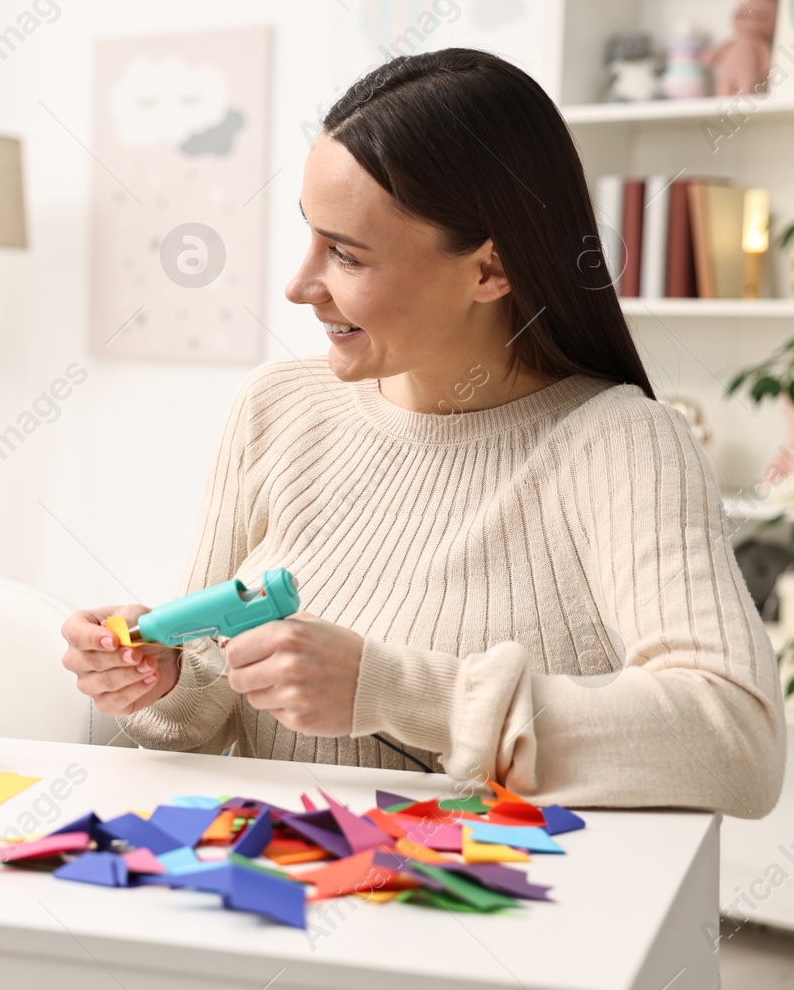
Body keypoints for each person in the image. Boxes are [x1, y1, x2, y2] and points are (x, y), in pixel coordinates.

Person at [61, 49, 784, 815]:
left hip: (487, 916)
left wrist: (393, 689)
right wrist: (164, 677)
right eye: (311, 237)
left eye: (345, 253)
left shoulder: (621, 446)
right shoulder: (276, 408)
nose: (300, 285)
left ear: (488, 271)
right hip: (275, 902)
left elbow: (736, 740)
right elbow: (198, 717)